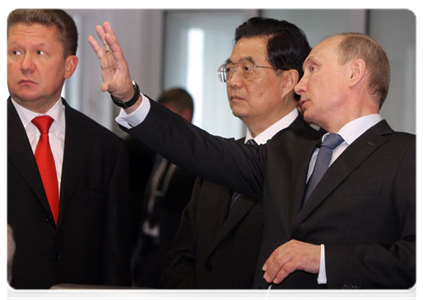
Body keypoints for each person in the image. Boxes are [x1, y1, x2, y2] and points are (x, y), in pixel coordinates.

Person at [89, 22, 419, 299]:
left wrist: (324, 259)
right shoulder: (288, 151)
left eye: (313, 70)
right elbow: (202, 150)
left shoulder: (407, 155)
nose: (300, 85)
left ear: (355, 73)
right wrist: (130, 98)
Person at [163, 18, 319, 300]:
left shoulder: (314, 158)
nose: (233, 81)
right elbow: (183, 254)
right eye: (230, 68)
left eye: (247, 69)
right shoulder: (219, 158)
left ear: (288, 81)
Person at [5, 9, 131, 300]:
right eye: (15, 52)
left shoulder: (106, 149)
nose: (25, 65)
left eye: (39, 52)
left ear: (69, 65)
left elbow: (115, 258)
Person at [131, 88, 196, 288]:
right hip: (143, 244)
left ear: (185, 115)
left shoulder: (196, 159)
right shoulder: (154, 151)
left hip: (171, 249)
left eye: (165, 114)